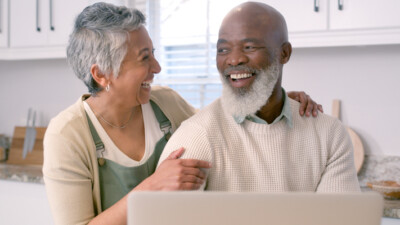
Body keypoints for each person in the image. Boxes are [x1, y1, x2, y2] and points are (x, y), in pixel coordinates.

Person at [43, 2, 323, 225]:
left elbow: (226, 123)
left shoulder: (164, 103)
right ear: (102, 74)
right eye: (144, 57)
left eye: (153, 53)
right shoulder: (67, 135)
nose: (157, 67)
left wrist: (277, 99)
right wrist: (151, 187)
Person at [158, 2, 361, 192]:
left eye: (249, 47)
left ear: (284, 53)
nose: (234, 59)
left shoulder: (329, 134)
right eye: (223, 49)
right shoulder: (196, 136)